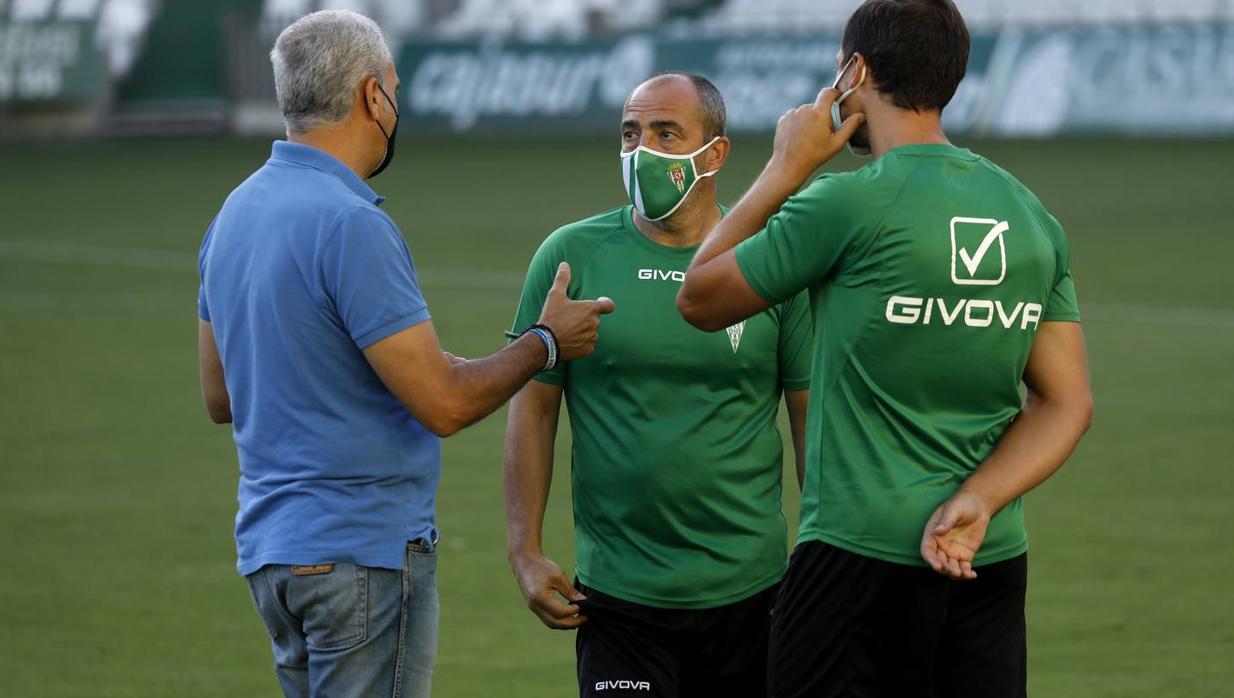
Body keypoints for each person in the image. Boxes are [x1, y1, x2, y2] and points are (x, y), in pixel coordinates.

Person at [676, 2, 1094, 696]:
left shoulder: (845, 203)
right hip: (981, 555)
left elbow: (700, 297)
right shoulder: (1029, 215)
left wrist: (785, 168)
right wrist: (978, 501)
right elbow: (1066, 402)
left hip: (856, 557)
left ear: (854, 71)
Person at [195, 10, 613, 698]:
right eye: (392, 86)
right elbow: (444, 404)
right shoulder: (352, 223)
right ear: (371, 97)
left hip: (272, 557)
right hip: (360, 551)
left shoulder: (233, 213)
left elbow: (221, 394)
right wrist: (545, 342)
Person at [503, 73, 813, 698]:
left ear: (715, 154)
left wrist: (821, 565)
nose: (642, 150)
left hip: (752, 595)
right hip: (618, 601)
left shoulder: (772, 258)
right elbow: (533, 409)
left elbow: (813, 422)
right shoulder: (572, 256)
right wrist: (524, 550)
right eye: (630, 133)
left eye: (666, 133)